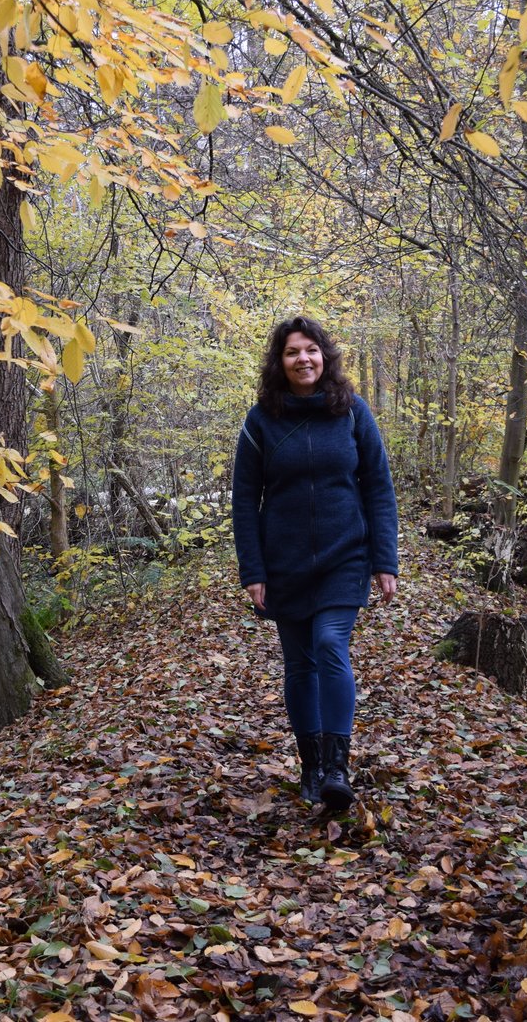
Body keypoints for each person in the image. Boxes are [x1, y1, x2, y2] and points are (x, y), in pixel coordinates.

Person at [232, 315, 399, 811]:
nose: (303, 359)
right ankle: (309, 766)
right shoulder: (261, 420)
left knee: (329, 645)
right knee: (299, 665)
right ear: (279, 362)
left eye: (310, 350)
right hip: (284, 563)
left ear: (324, 356)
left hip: (345, 556)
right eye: (291, 352)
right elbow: (244, 500)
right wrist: (253, 570)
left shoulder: (352, 412)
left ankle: (336, 767)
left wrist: (384, 560)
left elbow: (379, 489)